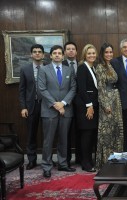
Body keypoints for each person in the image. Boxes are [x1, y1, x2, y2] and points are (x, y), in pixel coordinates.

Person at [38, 45, 77, 178]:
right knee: (48, 140)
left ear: (63, 55)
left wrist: (63, 103)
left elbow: (73, 88)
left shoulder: (69, 70)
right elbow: (42, 89)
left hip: (66, 110)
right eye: (54, 53)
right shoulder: (43, 69)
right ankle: (46, 166)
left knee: (63, 139)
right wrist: (56, 105)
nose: (57, 55)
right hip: (49, 110)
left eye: (59, 53)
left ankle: (63, 164)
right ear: (50, 56)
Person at [95, 42, 123, 169]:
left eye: (111, 52)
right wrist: (105, 105)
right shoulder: (100, 67)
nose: (109, 54)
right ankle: (105, 161)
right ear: (102, 53)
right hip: (107, 101)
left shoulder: (110, 65)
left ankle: (115, 158)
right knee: (107, 132)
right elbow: (100, 88)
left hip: (115, 100)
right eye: (106, 52)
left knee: (115, 130)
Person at [19, 44, 45, 170]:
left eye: (39, 51)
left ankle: (47, 160)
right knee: (31, 135)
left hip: (46, 106)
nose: (37, 53)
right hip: (31, 106)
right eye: (34, 51)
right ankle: (31, 160)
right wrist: (23, 107)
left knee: (48, 134)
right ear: (31, 54)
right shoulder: (25, 69)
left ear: (43, 55)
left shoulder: (48, 68)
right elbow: (22, 90)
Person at [74, 44, 98, 172]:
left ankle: (89, 159)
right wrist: (89, 106)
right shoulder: (82, 67)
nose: (92, 55)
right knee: (86, 135)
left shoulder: (93, 67)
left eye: (93, 53)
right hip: (85, 106)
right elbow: (82, 89)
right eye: (89, 53)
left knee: (91, 134)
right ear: (84, 55)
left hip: (93, 105)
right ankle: (85, 163)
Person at [62, 41, 80, 167]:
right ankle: (66, 159)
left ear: (76, 51)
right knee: (66, 133)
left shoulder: (82, 64)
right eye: (68, 49)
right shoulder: (59, 65)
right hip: (65, 104)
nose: (71, 51)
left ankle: (79, 158)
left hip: (80, 103)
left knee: (80, 131)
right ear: (65, 52)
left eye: (73, 49)